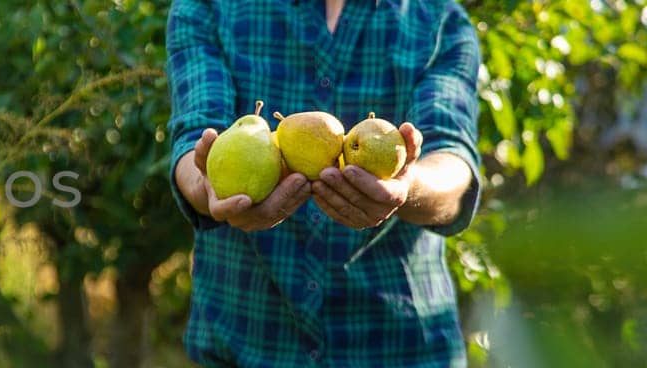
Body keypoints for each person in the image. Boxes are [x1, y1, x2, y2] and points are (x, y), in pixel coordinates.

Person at [166, 0, 482, 366]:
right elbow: (193, 144)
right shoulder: (208, 7)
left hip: (398, 347)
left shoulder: (441, 19)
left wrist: (409, 187)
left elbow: (453, 162)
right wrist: (209, 185)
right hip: (246, 342)